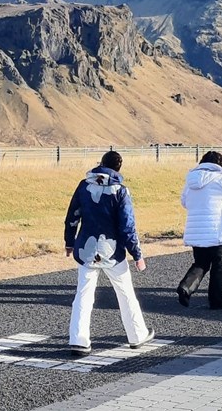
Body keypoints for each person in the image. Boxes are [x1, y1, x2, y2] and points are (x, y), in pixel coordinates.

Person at [64, 151, 154, 355]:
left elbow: (72, 216)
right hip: (112, 252)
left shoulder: (84, 185)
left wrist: (69, 242)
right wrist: (137, 254)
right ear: (119, 168)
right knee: (125, 293)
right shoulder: (121, 191)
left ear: (101, 163)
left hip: (86, 249)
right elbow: (127, 226)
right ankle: (137, 335)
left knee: (83, 294)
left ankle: (79, 340)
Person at [177, 151, 222, 310]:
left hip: (197, 231)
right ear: (221, 164)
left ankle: (186, 287)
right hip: (219, 231)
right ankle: (217, 301)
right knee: (219, 265)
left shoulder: (191, 181)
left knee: (201, 263)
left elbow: (184, 201)